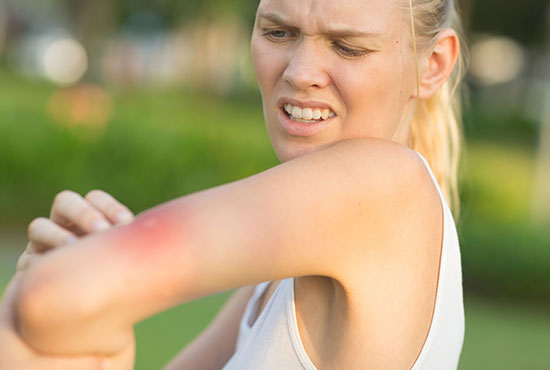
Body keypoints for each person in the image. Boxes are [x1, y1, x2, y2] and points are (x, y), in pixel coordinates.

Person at [0, 0, 466, 368]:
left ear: (433, 64)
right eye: (277, 32)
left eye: (348, 47)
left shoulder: (385, 184)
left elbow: (54, 296)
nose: (300, 72)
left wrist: (57, 293)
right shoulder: (282, 269)